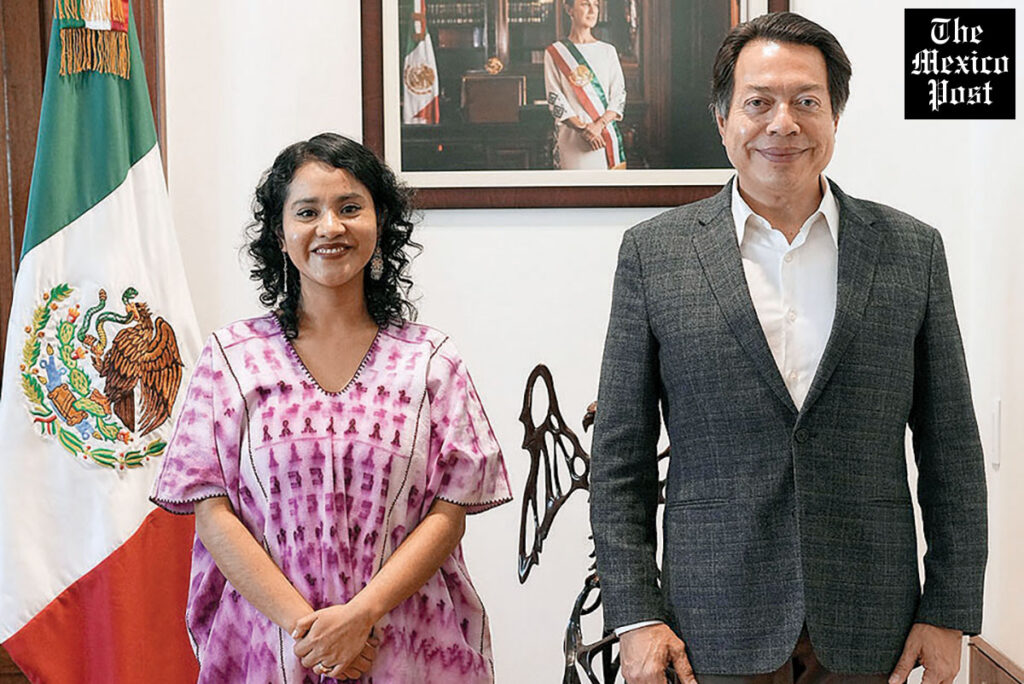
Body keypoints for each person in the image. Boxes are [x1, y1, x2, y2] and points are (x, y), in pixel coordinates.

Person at [590, 12, 986, 684]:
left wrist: (949, 610)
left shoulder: (912, 251)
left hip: (874, 626)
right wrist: (634, 617)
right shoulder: (654, 255)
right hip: (708, 625)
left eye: (807, 101)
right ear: (723, 120)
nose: (784, 124)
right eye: (759, 103)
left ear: (835, 118)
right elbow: (620, 459)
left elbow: (951, 449)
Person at [151, 133, 512, 683]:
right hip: (271, 644)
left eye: (349, 208)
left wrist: (361, 617)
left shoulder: (430, 360)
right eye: (307, 212)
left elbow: (451, 509)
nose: (330, 227)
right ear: (280, 233)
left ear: (379, 221)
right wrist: (312, 635)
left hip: (406, 642)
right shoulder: (231, 358)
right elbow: (212, 510)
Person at [544, 0, 627, 170]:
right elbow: (555, 98)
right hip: (573, 139)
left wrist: (598, 126)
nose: (592, 10)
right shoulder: (555, 52)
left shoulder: (608, 51)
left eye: (595, 5)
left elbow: (618, 95)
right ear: (569, 10)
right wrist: (583, 129)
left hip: (604, 136)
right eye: (585, 4)